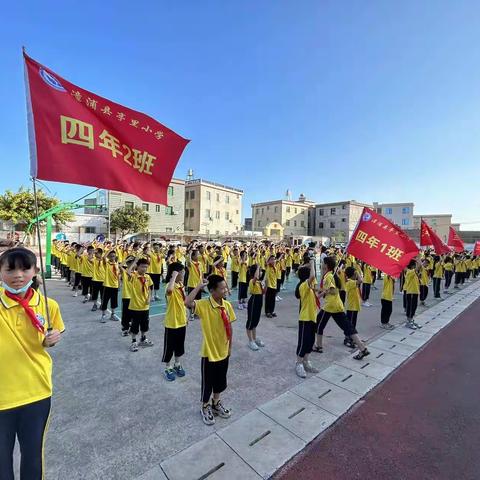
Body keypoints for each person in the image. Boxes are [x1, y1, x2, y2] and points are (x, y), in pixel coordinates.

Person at [0, 248, 64, 479]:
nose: (18, 275)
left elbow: (50, 339)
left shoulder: (49, 305)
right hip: (2, 398)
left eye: (25, 268)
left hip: (36, 393)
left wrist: (52, 339)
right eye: (10, 269)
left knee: (33, 459)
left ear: (36, 271)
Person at [185, 275, 236, 426]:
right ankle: (205, 406)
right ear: (212, 291)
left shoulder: (226, 305)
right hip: (210, 353)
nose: (225, 290)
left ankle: (216, 402)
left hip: (224, 350)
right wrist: (199, 286)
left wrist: (230, 347)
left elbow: (230, 328)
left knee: (220, 381)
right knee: (208, 383)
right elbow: (187, 302)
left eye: (225, 287)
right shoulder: (204, 305)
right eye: (222, 288)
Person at [313, 256, 369, 360]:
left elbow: (333, 291)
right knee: (348, 327)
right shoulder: (331, 275)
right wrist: (317, 290)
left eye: (323, 263)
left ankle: (319, 346)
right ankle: (362, 348)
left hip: (330, 306)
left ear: (326, 265)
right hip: (337, 305)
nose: (321, 264)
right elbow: (329, 289)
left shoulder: (328, 276)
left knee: (318, 325)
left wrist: (324, 292)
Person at [294, 259, 320, 378]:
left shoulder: (309, 288)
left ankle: (306, 361)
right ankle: (298, 363)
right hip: (305, 318)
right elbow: (313, 275)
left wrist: (322, 293)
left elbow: (314, 297)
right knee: (303, 342)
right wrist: (312, 262)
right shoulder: (303, 286)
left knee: (310, 342)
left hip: (312, 317)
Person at [163, 262, 188, 381]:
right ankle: (168, 367)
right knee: (169, 347)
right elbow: (169, 291)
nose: (184, 273)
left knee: (179, 345)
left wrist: (186, 316)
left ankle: (177, 364)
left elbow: (183, 303)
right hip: (172, 322)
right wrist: (173, 276)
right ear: (176, 273)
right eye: (182, 272)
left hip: (181, 321)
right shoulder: (170, 285)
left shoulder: (181, 285)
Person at [127, 257, 154, 352]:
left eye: (146, 267)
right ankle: (133, 342)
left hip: (145, 306)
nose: (144, 269)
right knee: (135, 326)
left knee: (144, 325)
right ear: (137, 267)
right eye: (142, 267)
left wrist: (149, 297)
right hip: (135, 306)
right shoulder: (134, 276)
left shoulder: (147, 277)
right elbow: (128, 272)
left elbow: (150, 288)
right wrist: (134, 262)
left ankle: (143, 339)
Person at [246, 264, 265, 351]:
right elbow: (256, 277)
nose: (261, 272)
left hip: (259, 300)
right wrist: (257, 267)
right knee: (251, 321)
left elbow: (263, 292)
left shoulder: (259, 282)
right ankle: (250, 341)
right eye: (259, 270)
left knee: (255, 321)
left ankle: (254, 338)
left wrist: (266, 283)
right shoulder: (252, 281)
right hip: (253, 301)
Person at [100, 249, 120, 323]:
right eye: (111, 256)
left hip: (115, 286)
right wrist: (109, 250)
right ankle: (103, 315)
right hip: (107, 285)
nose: (112, 258)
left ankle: (113, 314)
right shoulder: (107, 264)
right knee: (105, 301)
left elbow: (118, 275)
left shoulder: (116, 264)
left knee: (114, 302)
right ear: (108, 257)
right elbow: (103, 257)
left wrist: (119, 285)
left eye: (114, 256)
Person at [344, 266, 362, 348]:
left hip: (354, 307)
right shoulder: (349, 282)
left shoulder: (352, 281)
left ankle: (352, 338)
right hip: (351, 307)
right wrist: (357, 272)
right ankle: (347, 339)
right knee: (349, 325)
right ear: (353, 274)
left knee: (353, 324)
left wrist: (356, 272)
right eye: (355, 274)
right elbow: (361, 280)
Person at [404, 259, 421, 329]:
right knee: (410, 307)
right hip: (410, 292)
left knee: (414, 307)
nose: (415, 266)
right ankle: (408, 321)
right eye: (414, 265)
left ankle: (411, 320)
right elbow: (418, 266)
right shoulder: (409, 272)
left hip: (415, 291)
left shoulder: (413, 272)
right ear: (412, 265)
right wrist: (418, 260)